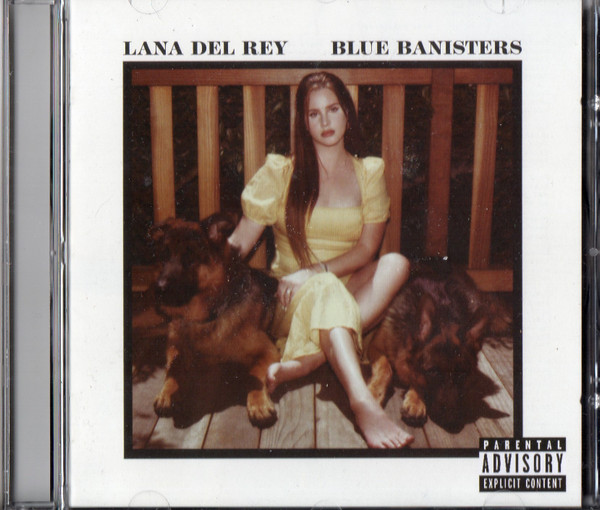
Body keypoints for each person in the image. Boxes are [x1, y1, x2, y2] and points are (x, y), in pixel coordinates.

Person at [228, 71, 412, 448]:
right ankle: (362, 403)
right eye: (314, 114)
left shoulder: (369, 173)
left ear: (347, 113)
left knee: (397, 263)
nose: (325, 121)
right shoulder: (281, 173)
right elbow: (240, 243)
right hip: (290, 299)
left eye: (333, 109)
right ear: (304, 122)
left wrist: (315, 271)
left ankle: (311, 360)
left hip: (346, 288)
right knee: (326, 287)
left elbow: (367, 250)